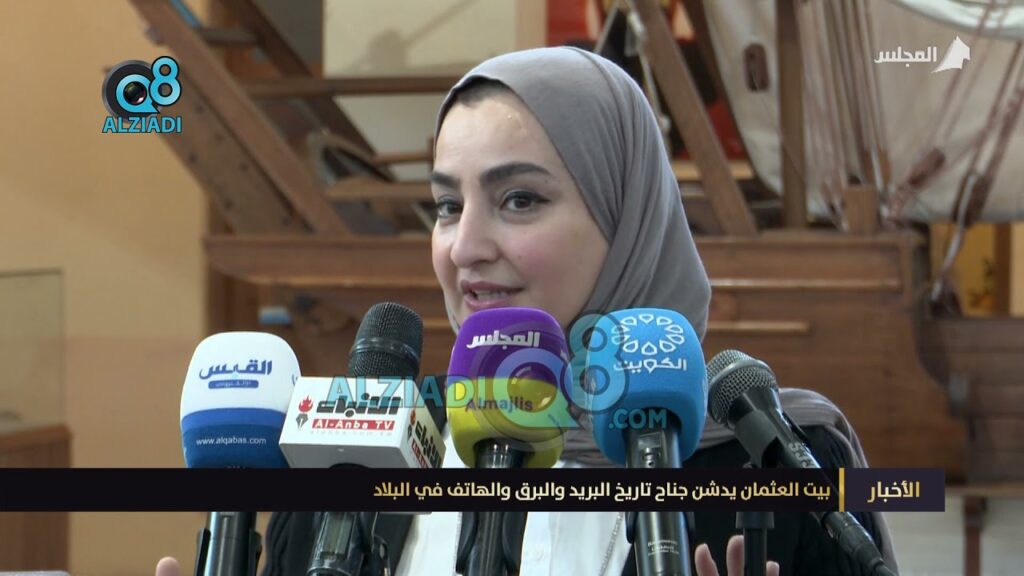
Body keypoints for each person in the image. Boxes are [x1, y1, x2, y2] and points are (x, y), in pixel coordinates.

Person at [157, 46, 892, 576]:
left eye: (519, 199)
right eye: (447, 205)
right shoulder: (349, 466)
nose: (465, 247)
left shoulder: (777, 465)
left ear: (626, 219)